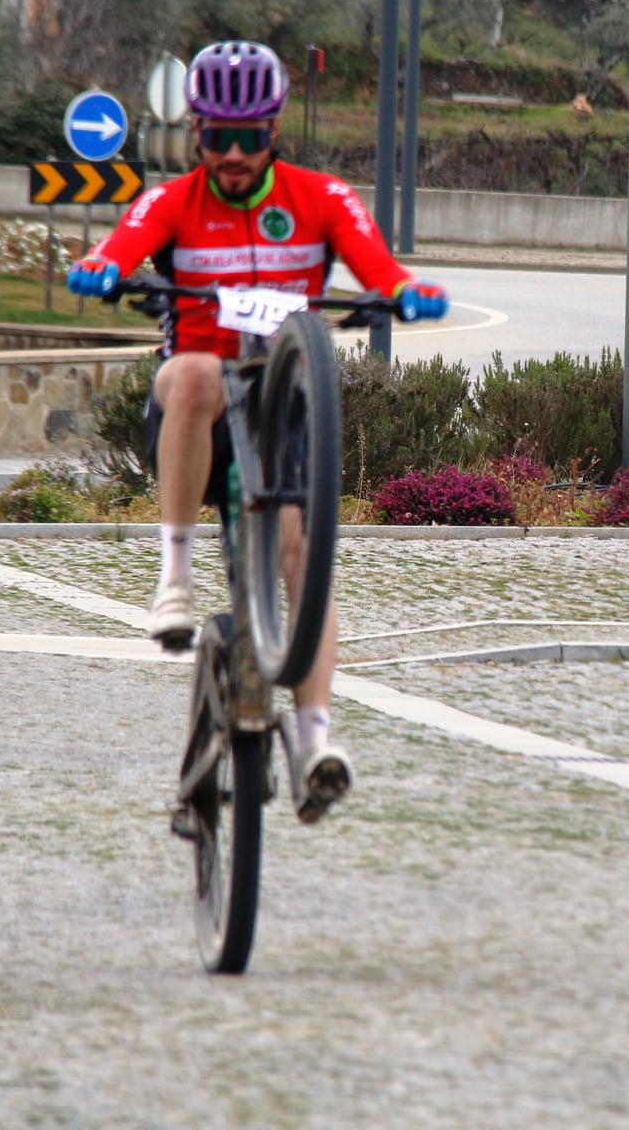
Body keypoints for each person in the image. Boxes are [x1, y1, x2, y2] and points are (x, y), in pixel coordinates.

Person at [73, 40, 445, 823]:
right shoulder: (175, 200)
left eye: (250, 138)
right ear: (196, 134)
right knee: (199, 370)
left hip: (280, 415)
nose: (234, 154)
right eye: (218, 137)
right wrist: (105, 266)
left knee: (303, 551)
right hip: (196, 415)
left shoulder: (322, 197)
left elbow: (378, 266)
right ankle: (172, 579)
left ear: (274, 131)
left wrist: (405, 291)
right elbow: (126, 241)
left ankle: (314, 742)